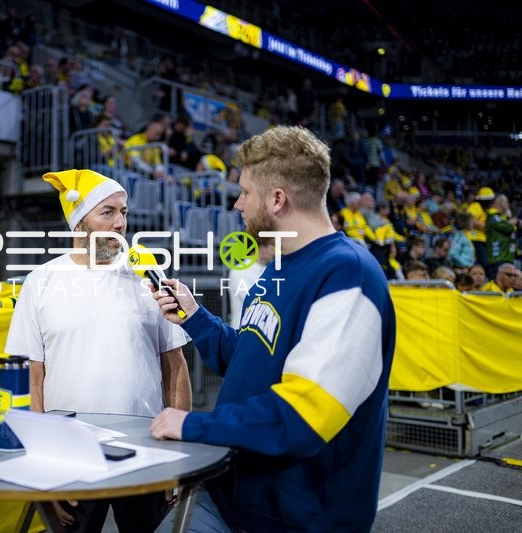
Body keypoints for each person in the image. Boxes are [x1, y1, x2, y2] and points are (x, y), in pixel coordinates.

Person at [148, 126, 396, 532]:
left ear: (278, 199)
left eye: (245, 191)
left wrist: (193, 424)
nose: (238, 203)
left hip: (295, 518)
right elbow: (250, 357)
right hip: (231, 492)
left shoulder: (348, 274)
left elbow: (304, 415)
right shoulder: (276, 267)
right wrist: (195, 317)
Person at [5, 169, 191, 532]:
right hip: (70, 453)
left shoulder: (149, 277)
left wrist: (178, 458)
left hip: (146, 450)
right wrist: (41, 461)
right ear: (79, 222)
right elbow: (32, 377)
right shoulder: (41, 282)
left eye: (123, 212)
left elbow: (176, 366)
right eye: (107, 212)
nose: (120, 223)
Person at [227, 237, 275, 327]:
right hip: (242, 330)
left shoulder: (269, 271)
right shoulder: (239, 271)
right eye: (271, 247)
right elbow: (255, 300)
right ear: (261, 248)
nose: (274, 252)